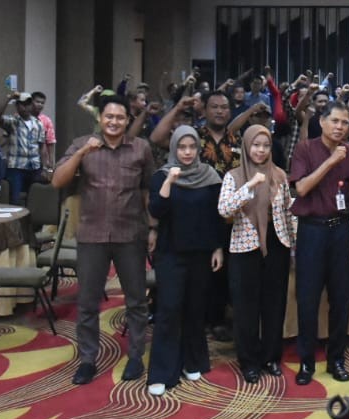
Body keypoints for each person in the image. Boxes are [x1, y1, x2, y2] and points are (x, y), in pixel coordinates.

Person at [52, 95, 156, 385]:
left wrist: (153, 227)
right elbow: (57, 180)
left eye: (120, 117)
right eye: (109, 116)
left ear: (127, 120)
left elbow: (148, 190)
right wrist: (82, 153)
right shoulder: (82, 144)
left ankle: (135, 356)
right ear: (100, 118)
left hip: (130, 234)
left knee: (136, 301)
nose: (114, 122)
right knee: (87, 302)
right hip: (92, 235)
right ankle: (87, 359)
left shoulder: (140, 148)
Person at [289, 102, 349, 385]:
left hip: (341, 230)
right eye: (335, 121)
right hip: (312, 230)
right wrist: (331, 162)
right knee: (308, 299)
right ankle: (306, 362)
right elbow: (301, 188)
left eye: (345, 123)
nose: (340, 127)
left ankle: (337, 360)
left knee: (340, 299)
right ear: (322, 122)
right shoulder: (305, 149)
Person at [147, 127, 225, 396]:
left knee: (195, 309)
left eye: (192, 147)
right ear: (173, 149)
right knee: (169, 310)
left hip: (201, 253)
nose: (188, 152)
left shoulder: (210, 176)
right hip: (170, 252)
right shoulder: (161, 176)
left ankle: (192, 361)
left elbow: (217, 215)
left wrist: (218, 247)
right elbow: (156, 210)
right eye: (182, 147)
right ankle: (162, 372)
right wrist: (170, 181)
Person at [218, 125, 295, 383]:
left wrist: (293, 246)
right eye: (256, 145)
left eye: (266, 145)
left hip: (277, 245)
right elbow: (224, 210)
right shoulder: (234, 176)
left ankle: (271, 357)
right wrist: (250, 186)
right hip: (245, 248)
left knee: (274, 305)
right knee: (245, 308)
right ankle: (249, 361)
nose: (261, 150)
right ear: (246, 146)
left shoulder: (279, 175)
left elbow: (287, 211)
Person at [0, 91, 45, 205]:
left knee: (35, 201)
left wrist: (44, 167)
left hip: (34, 167)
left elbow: (41, 147)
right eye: (22, 104)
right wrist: (9, 98)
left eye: (28, 104)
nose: (25, 107)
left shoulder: (38, 124)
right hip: (16, 167)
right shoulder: (12, 122)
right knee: (15, 200)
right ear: (17, 106)